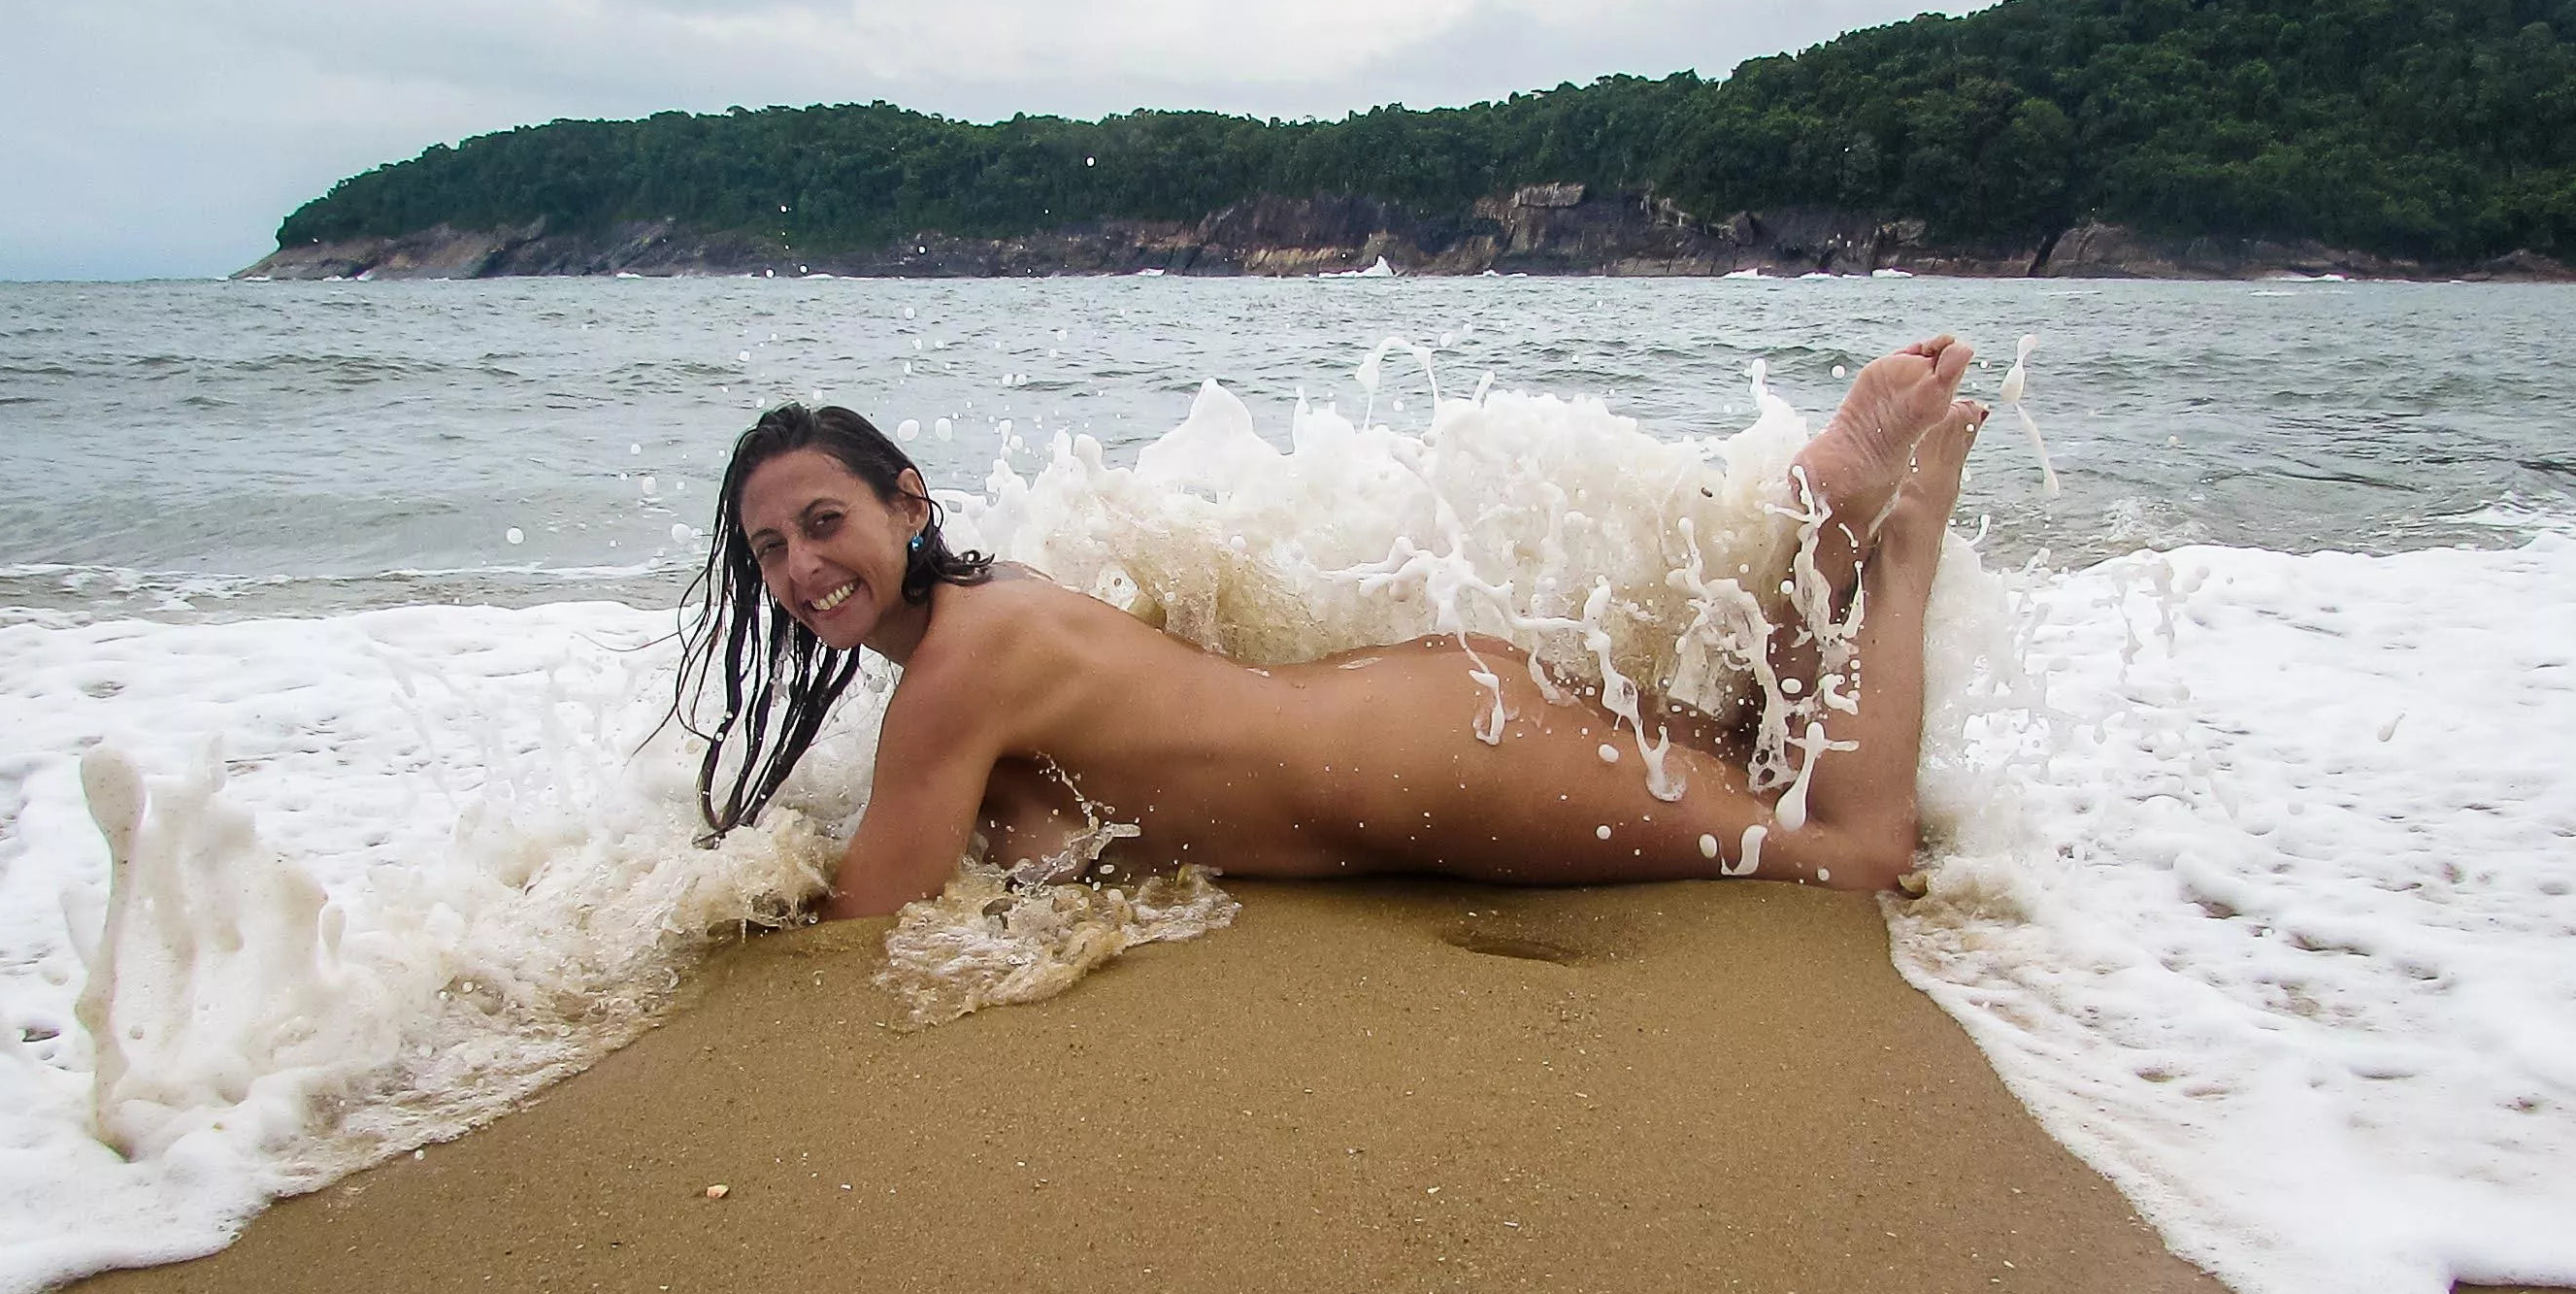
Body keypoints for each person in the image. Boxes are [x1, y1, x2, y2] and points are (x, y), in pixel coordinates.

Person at [677, 340, 1988, 918]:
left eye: (823, 521)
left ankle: (1905, 526)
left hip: (1433, 768)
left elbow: (870, 919)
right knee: (1763, 762)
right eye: (769, 549)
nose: (800, 567)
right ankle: (1824, 523)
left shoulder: (952, 668)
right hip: (1426, 709)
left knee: (1852, 853)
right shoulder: (991, 604)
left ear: (909, 501)